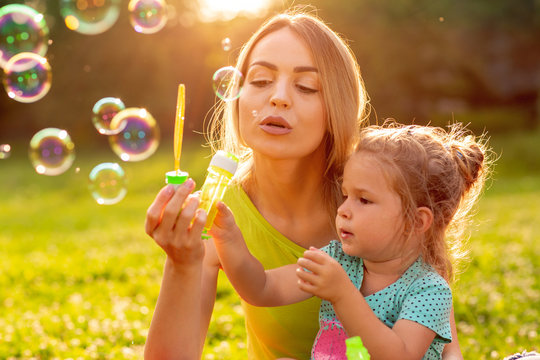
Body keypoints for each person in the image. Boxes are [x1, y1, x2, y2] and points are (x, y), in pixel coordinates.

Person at [144, 8, 464, 360]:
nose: (278, 97)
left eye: (306, 86)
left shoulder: (380, 196)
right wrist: (181, 263)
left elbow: (447, 351)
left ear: (336, 108)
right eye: (261, 81)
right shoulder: (218, 211)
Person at [211, 122, 491, 359]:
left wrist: (343, 295)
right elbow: (262, 288)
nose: (343, 209)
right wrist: (229, 240)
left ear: (416, 222)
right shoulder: (338, 260)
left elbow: (398, 354)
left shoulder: (428, 290)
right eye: (345, 196)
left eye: (363, 200)